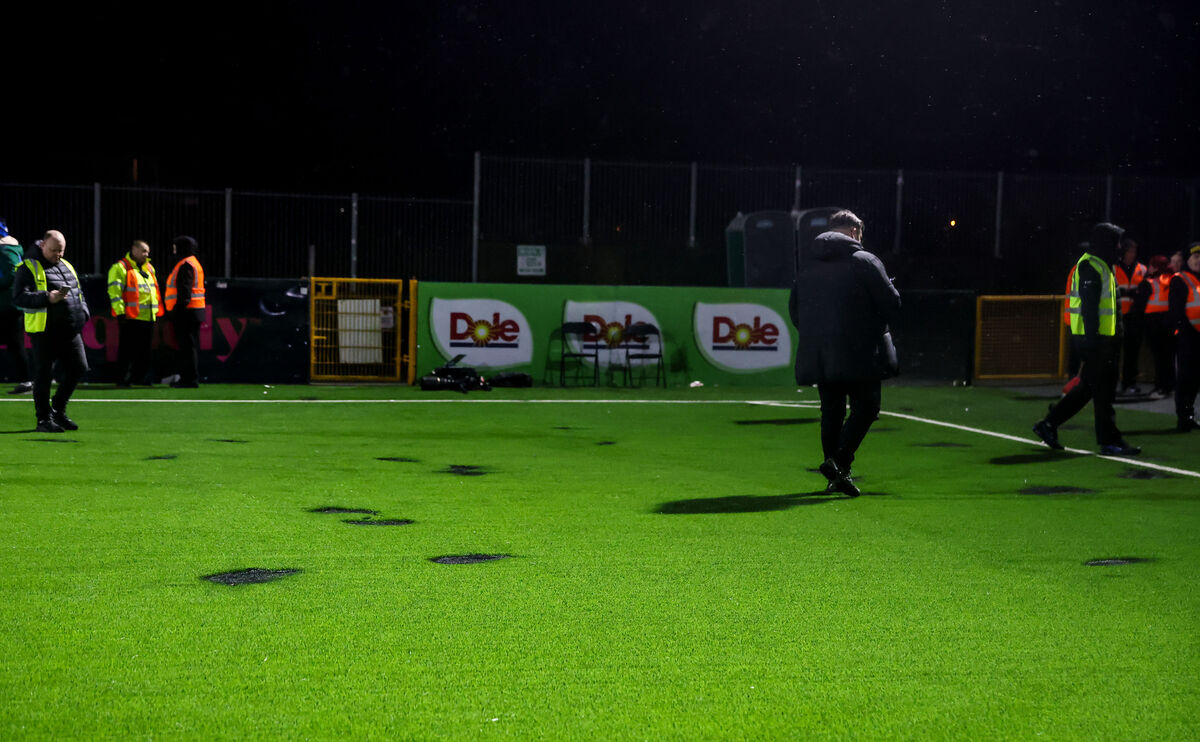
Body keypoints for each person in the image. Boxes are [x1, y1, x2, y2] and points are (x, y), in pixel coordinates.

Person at [788, 209, 901, 497]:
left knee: (832, 412)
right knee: (867, 406)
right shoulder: (864, 261)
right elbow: (891, 304)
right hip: (861, 350)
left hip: (821, 352)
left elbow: (795, 310)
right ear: (853, 232)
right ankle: (838, 463)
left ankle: (836, 475)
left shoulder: (809, 266)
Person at [1033, 223, 1140, 456]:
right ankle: (1109, 440)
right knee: (1103, 393)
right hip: (1096, 341)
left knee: (1089, 389)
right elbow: (1090, 310)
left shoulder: (1101, 265)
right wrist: (1095, 343)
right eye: (1117, 242)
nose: (1120, 247)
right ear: (1106, 242)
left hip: (1102, 340)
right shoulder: (1091, 266)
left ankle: (1049, 424)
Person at [10, 230, 90, 432]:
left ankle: (58, 410)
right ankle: (43, 419)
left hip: (70, 329)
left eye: (61, 251)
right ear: (43, 245)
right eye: (54, 250)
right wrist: (47, 297)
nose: (58, 255)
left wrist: (84, 313)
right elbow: (19, 298)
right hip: (44, 331)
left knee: (79, 368)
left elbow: (78, 292)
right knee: (43, 376)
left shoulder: (66, 264)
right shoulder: (27, 267)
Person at [107, 240, 163, 386]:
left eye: (148, 252)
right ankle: (122, 378)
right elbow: (115, 292)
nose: (147, 255)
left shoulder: (149, 268)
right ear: (134, 250)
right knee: (127, 350)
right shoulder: (120, 267)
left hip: (148, 316)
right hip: (130, 317)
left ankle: (139, 377)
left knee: (144, 350)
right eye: (144, 251)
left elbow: (153, 291)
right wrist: (120, 313)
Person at [164, 235, 205, 388]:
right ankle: (190, 378)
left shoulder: (185, 264)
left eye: (176, 247)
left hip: (186, 312)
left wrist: (176, 310)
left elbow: (184, 292)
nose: (174, 250)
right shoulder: (192, 263)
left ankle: (189, 379)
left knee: (186, 347)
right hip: (193, 311)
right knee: (189, 346)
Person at [1167, 243, 1200, 432]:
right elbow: (1176, 310)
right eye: (1195, 257)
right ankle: (1182, 416)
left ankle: (1189, 415)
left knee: (1195, 378)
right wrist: (1183, 330)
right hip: (1188, 336)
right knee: (1185, 376)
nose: (1198, 260)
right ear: (1188, 260)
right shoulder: (1180, 279)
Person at [0, 218, 32, 394]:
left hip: (8, 306)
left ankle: (26, 380)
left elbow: (12, 275)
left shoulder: (5, 250)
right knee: (15, 345)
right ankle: (26, 380)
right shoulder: (9, 248)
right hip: (10, 305)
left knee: (16, 344)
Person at [1113, 235, 1148, 395]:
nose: (1132, 254)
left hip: (1135, 316)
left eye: (1134, 251)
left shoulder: (1142, 268)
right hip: (1118, 315)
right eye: (1130, 251)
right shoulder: (1114, 268)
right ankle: (1112, 384)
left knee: (1132, 352)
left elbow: (1145, 290)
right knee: (1114, 352)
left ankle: (1129, 384)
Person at [1142, 254, 1175, 399]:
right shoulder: (1172, 279)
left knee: (1159, 358)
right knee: (1168, 357)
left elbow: (1140, 305)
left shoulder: (1149, 283)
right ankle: (1168, 386)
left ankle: (1161, 388)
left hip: (1154, 322)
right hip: (1169, 321)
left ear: (1155, 267)